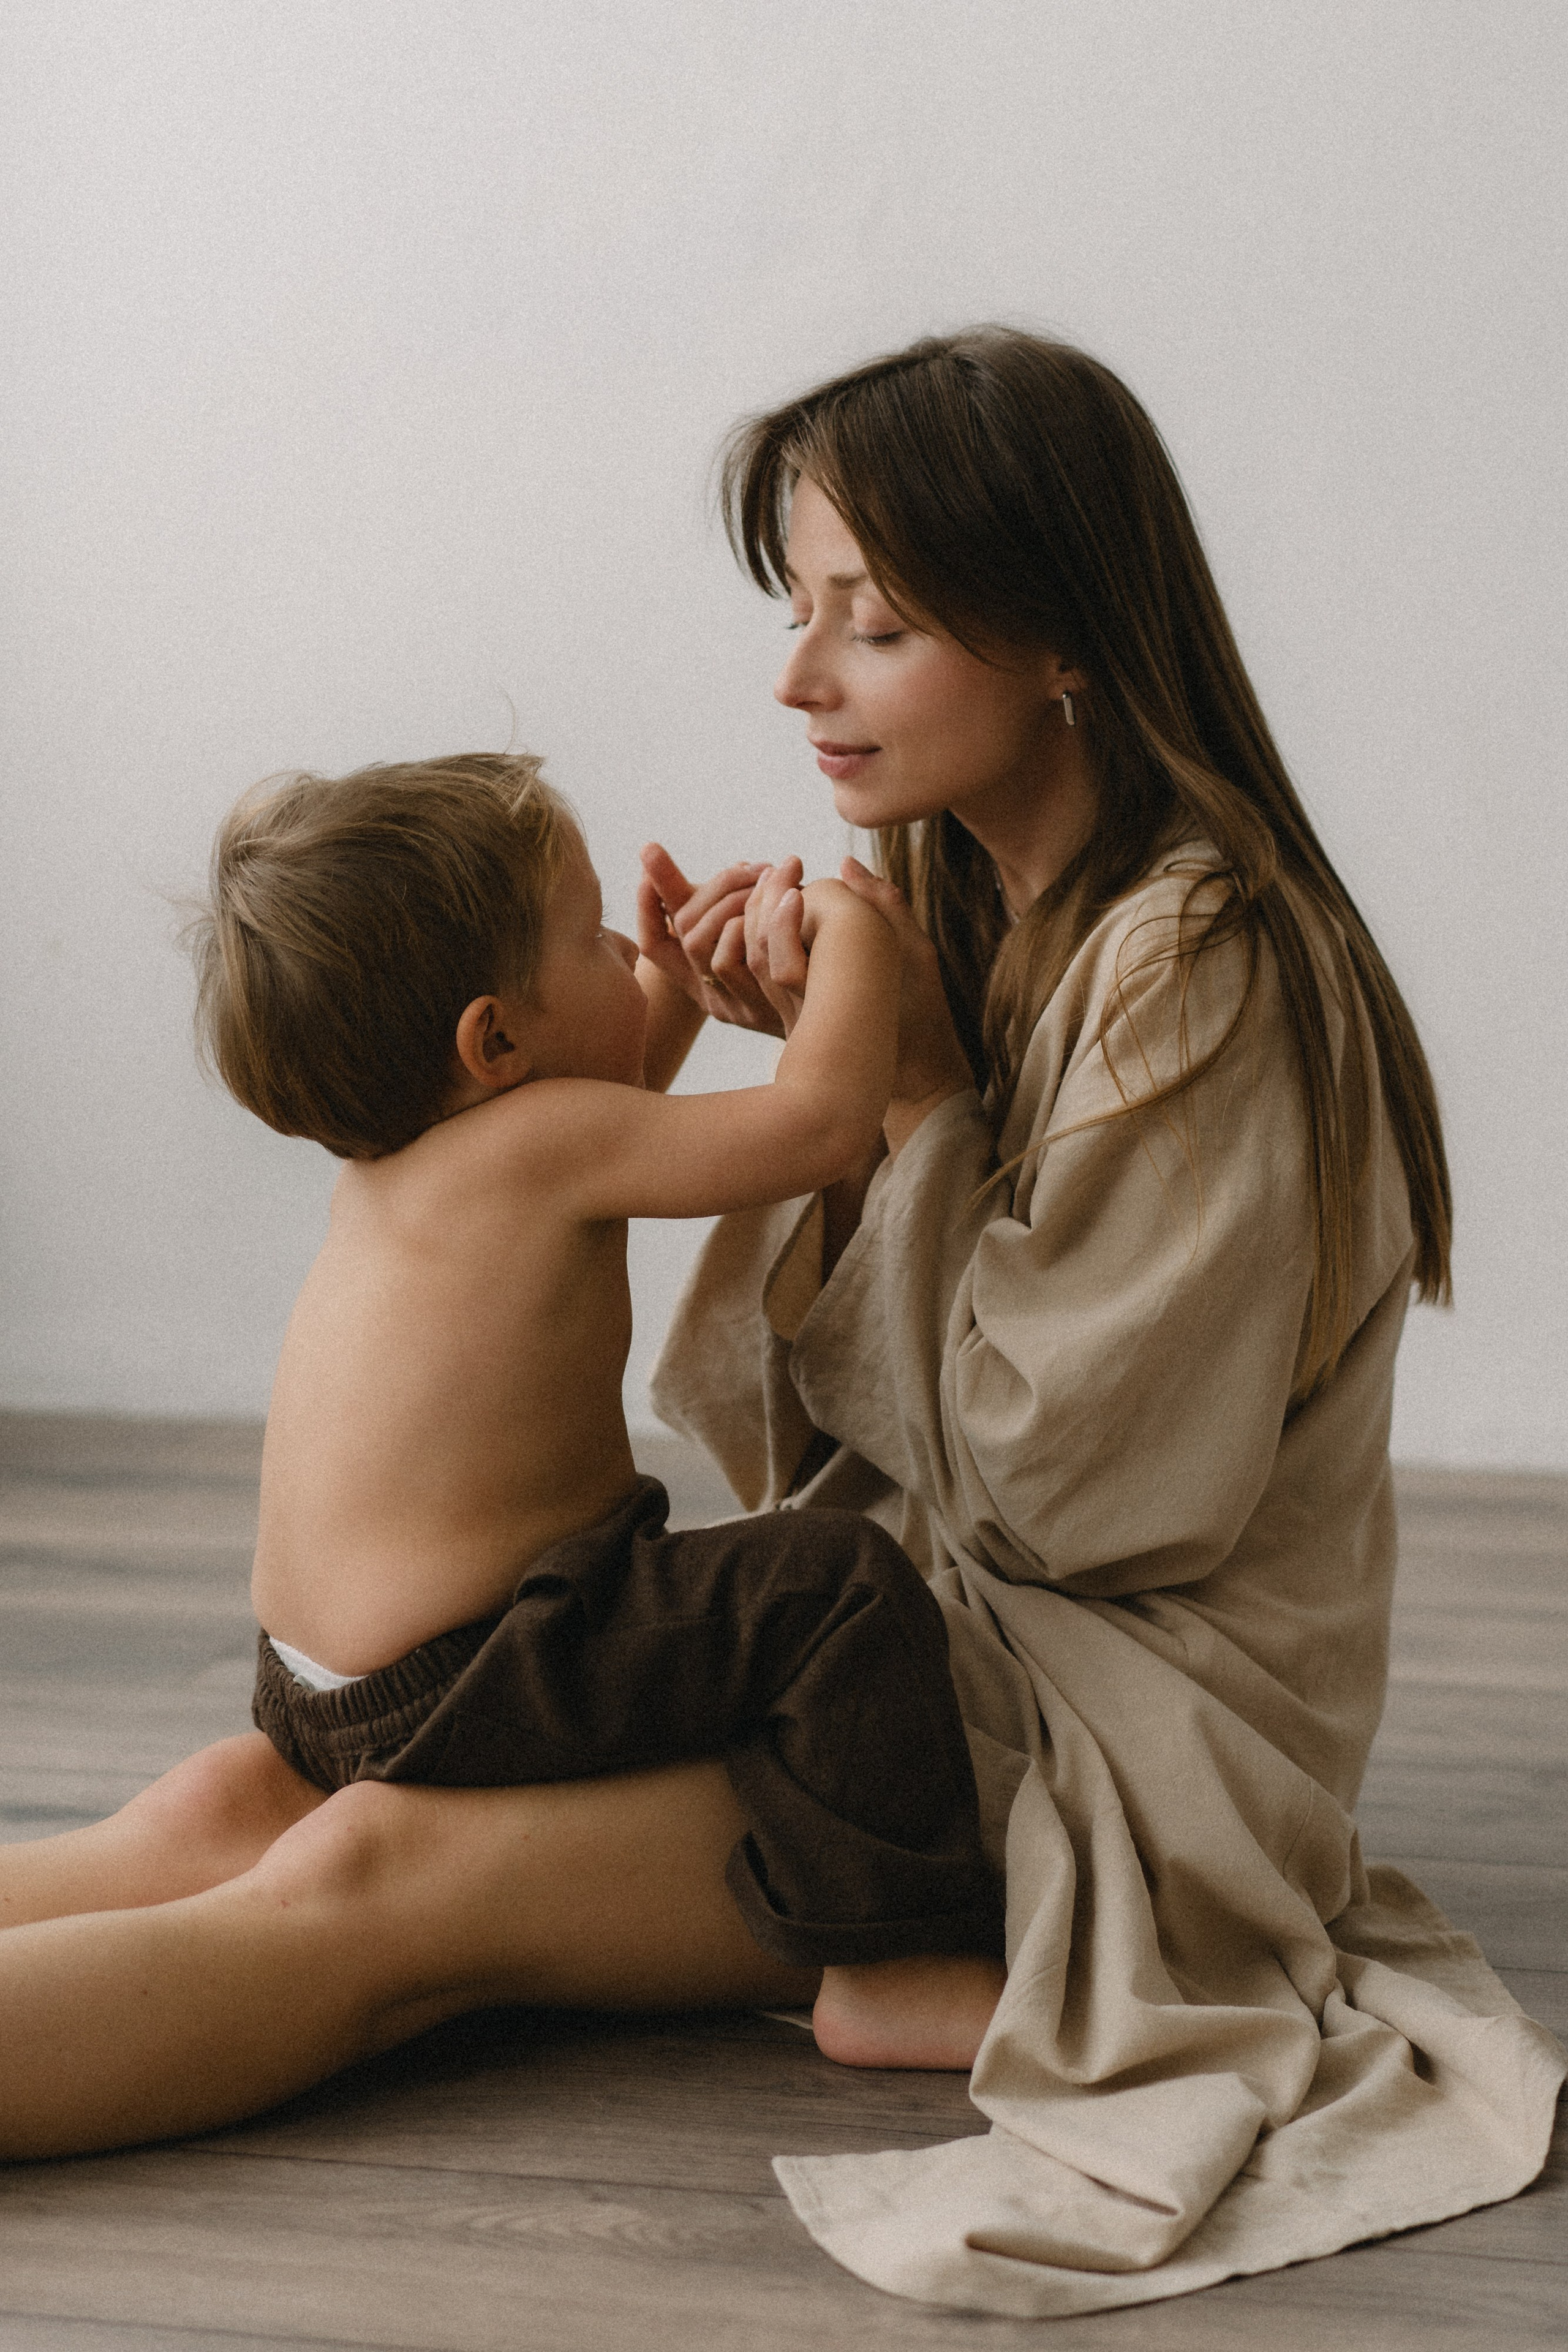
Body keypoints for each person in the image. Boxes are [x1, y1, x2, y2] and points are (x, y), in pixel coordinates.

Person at [0, 331, 1558, 2321]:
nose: (799, 679)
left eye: (874, 625)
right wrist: (845, 1075)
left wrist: (902, 1098)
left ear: (1063, 639)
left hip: (1117, 1712)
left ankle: (885, 1941)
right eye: (797, 610)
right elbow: (797, 1419)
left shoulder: (1207, 964)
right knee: (234, 1802)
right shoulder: (956, 897)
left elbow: (1085, 1500)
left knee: (363, 1878)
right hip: (910, 1640)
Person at [0, 751, 1011, 2158]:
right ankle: (895, 1961)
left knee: (207, 1825)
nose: (619, 955)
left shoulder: (412, 1164)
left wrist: (657, 988)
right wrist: (854, 949)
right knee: (830, 1586)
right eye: (588, 939)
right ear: (493, 1043)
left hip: (312, 1689)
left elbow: (615, 1108)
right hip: (475, 1666)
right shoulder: (548, 1147)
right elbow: (816, 1125)